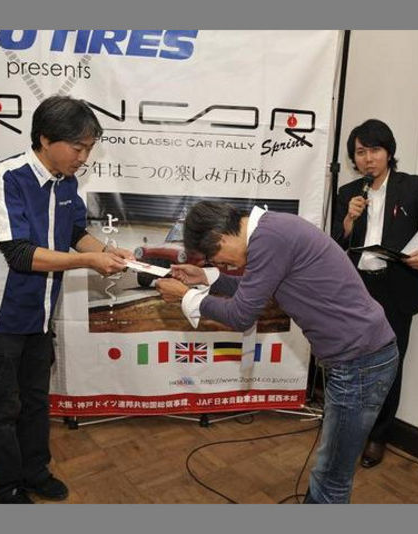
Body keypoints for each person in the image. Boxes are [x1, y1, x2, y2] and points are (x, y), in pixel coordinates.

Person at [155, 200, 399, 503]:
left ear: (221, 238)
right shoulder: (272, 231)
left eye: (217, 260)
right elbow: (255, 288)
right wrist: (206, 278)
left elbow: (241, 314)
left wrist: (186, 297)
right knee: (329, 472)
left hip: (360, 363)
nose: (223, 266)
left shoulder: (269, 238)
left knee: (332, 477)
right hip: (360, 359)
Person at [0, 95, 134, 504]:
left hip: (39, 316)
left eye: (89, 148)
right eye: (78, 147)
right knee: (1, 410)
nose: (83, 158)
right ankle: (5, 490)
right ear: (45, 139)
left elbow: (74, 234)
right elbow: (18, 254)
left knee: (35, 401)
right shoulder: (4, 178)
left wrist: (107, 252)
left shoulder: (66, 183)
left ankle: (35, 472)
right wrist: (89, 261)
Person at [332, 118, 418, 468]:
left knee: (389, 364)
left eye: (375, 150)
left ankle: (378, 435)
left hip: (394, 289)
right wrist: (348, 221)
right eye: (361, 152)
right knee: (350, 361)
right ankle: (347, 427)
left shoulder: (412, 187)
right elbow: (333, 244)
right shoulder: (348, 193)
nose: (368, 159)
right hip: (356, 289)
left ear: (389, 152)